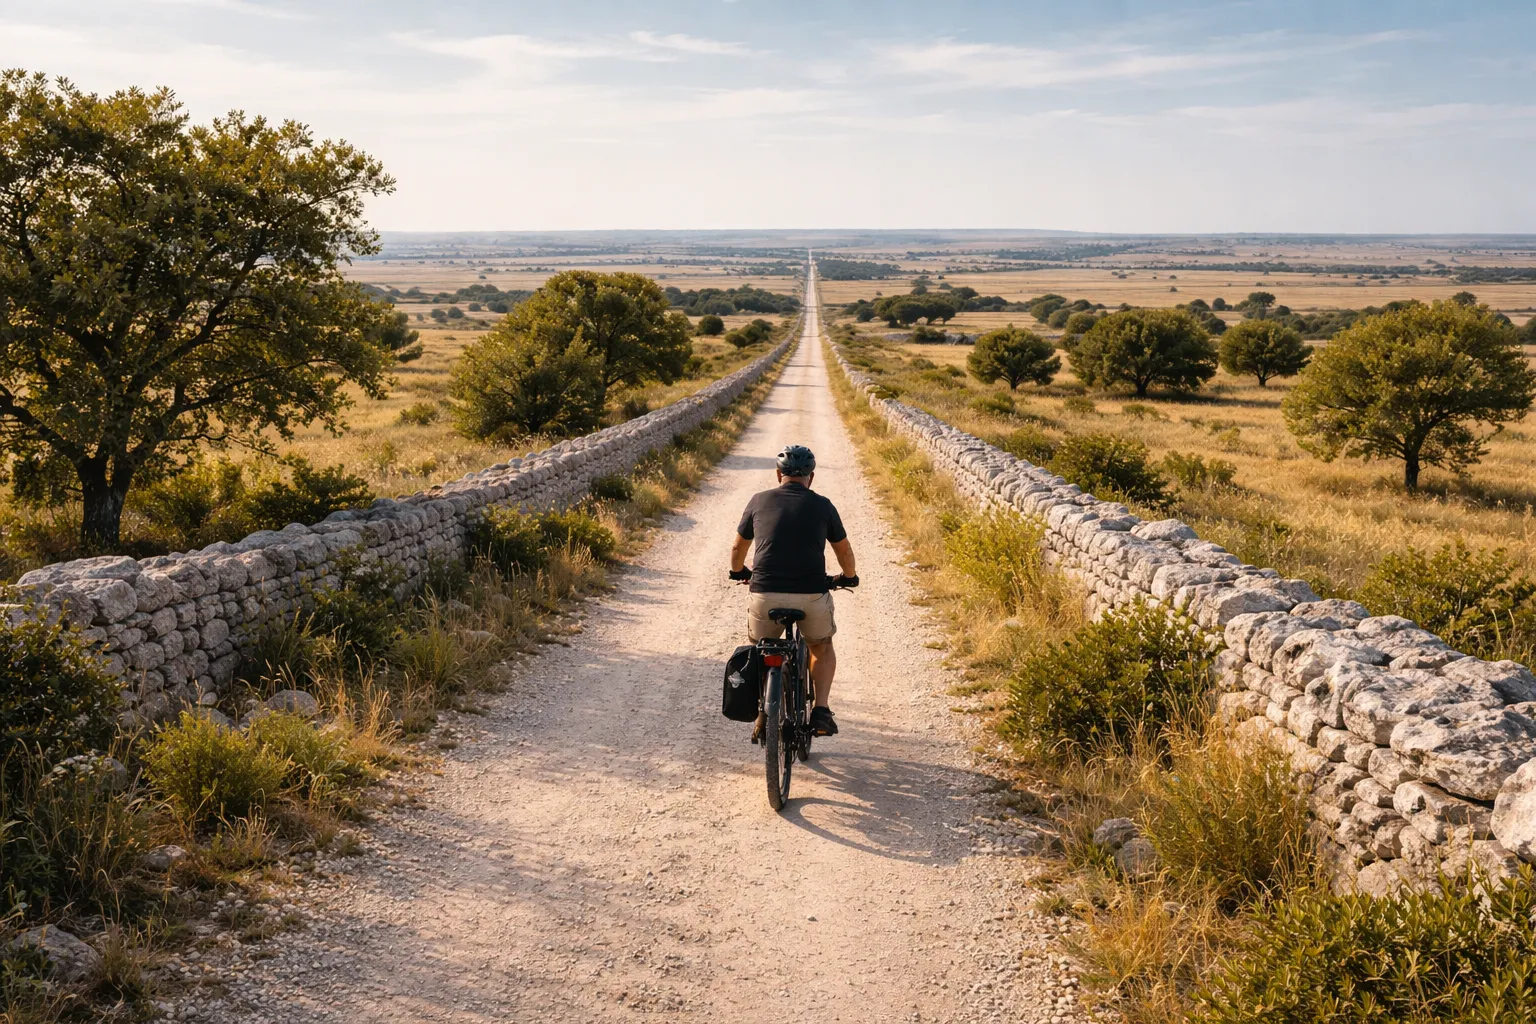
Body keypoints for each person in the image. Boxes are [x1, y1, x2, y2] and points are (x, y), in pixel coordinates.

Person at [729, 444, 857, 737]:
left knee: (762, 649)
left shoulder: (758, 501)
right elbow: (844, 551)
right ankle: (821, 711)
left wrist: (739, 572)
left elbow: (738, 547)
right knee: (821, 647)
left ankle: (764, 712)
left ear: (778, 474)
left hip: (765, 594)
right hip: (812, 593)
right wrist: (848, 577)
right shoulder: (823, 505)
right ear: (811, 477)